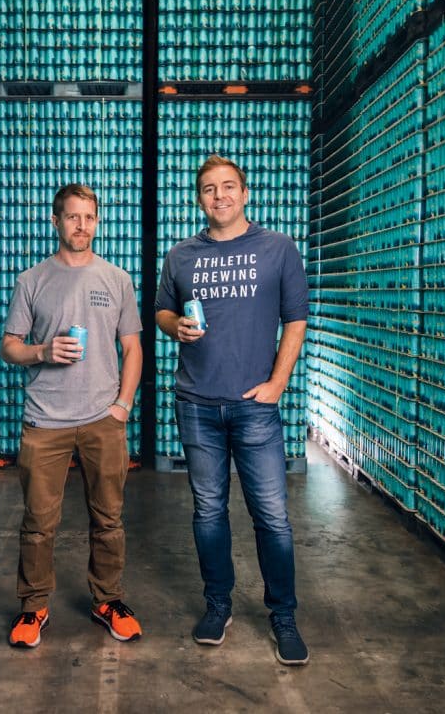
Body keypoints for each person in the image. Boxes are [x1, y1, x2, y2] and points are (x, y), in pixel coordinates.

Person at [154, 155, 310, 665]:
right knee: (208, 512)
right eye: (207, 189)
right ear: (199, 199)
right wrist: (172, 324)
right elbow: (160, 310)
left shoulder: (278, 249)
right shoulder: (180, 256)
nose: (218, 196)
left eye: (227, 187)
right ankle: (217, 605)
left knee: (272, 517)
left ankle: (283, 614)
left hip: (254, 409)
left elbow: (296, 319)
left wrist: (278, 383)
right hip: (196, 404)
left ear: (245, 194)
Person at [0, 183, 142, 648]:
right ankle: (33, 606)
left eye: (89, 217)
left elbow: (132, 347)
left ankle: (108, 599)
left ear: (97, 221)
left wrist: (122, 405)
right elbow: (10, 347)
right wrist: (42, 350)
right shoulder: (32, 280)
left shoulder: (117, 279)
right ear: (55, 221)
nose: (82, 225)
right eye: (73, 217)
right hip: (45, 421)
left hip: (103, 418)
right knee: (39, 522)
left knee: (109, 518)